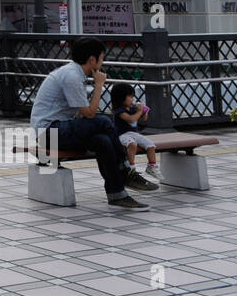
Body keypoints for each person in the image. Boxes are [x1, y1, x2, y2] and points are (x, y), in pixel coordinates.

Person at [29, 37, 158, 210]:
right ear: (92, 59)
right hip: (49, 133)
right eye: (102, 58)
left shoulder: (75, 74)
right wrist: (99, 85)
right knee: (103, 121)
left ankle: (117, 195)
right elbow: (89, 113)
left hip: (61, 129)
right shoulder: (72, 76)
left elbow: (84, 115)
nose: (102, 62)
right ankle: (125, 170)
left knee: (102, 141)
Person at [111, 83, 160, 180]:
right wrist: (139, 112)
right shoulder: (119, 111)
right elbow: (131, 119)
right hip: (122, 135)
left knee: (150, 145)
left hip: (134, 134)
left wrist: (144, 111)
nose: (132, 99)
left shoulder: (132, 108)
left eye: (133, 96)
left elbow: (143, 119)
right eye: (130, 96)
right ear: (120, 98)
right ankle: (131, 167)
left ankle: (152, 166)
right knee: (132, 144)